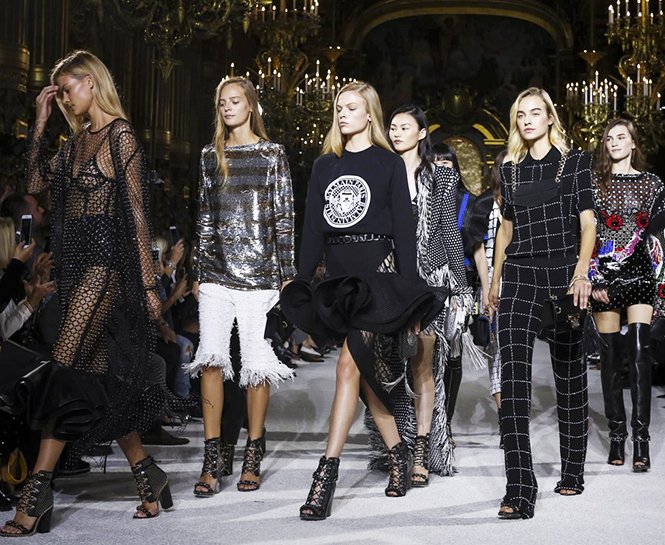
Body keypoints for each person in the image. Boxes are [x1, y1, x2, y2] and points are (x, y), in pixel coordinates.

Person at [0, 50, 172, 536]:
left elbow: (136, 215)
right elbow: (35, 184)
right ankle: (148, 474)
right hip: (76, 268)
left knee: (62, 365)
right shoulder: (74, 143)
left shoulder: (120, 136)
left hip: (108, 267)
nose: (62, 98)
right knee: (95, 380)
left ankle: (37, 492)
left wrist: (149, 284)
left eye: (67, 88)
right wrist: (40, 120)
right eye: (56, 92)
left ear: (92, 82)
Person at [282, 81, 442, 520]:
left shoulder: (388, 164)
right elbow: (313, 229)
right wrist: (301, 282)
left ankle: (325, 477)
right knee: (365, 376)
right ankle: (399, 451)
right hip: (338, 282)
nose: (342, 113)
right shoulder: (324, 166)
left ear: (370, 114)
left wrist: (409, 295)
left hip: (377, 278)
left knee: (347, 366)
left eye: (351, 107)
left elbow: (404, 233)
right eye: (339, 107)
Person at [488, 87, 596, 519]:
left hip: (564, 275)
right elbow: (506, 229)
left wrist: (582, 272)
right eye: (521, 114)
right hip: (519, 276)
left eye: (536, 113)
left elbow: (588, 223)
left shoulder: (576, 163)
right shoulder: (510, 169)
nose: (528, 120)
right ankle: (520, 485)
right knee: (513, 381)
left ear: (550, 117)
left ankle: (572, 469)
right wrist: (493, 280)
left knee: (569, 377)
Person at [187, 76, 295, 496]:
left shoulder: (272, 154)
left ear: (250, 105)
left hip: (261, 276)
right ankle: (211, 458)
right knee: (211, 360)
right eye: (222, 102)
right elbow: (205, 216)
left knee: (254, 365)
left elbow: (283, 217)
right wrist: (198, 272)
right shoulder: (209, 155)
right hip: (216, 273)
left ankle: (253, 452)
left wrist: (287, 275)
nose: (228, 107)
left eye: (235, 101)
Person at [387, 104, 470, 481]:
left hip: (430, 281)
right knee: (389, 365)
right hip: (389, 280)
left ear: (422, 133)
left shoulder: (440, 176)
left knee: (424, 364)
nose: (396, 132)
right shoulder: (382, 172)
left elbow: (449, 231)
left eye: (405, 127)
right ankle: (395, 447)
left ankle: (421, 448)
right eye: (392, 127)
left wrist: (461, 287)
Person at [589, 118, 665, 471]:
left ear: (634, 143)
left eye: (622, 137)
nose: (615, 142)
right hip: (604, 275)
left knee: (638, 353)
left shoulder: (653, 184)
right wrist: (591, 278)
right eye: (609, 138)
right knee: (609, 358)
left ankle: (642, 440)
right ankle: (617, 435)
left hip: (641, 274)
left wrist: (661, 282)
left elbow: (659, 237)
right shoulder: (594, 183)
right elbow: (585, 232)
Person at [431, 142, 492, 447]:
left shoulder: (470, 203)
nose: (440, 167)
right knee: (423, 354)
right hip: (426, 283)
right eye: (435, 162)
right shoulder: (420, 198)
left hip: (459, 284)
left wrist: (487, 290)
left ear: (455, 168)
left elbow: (478, 250)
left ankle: (445, 422)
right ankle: (422, 423)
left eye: (446, 163)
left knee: (452, 354)